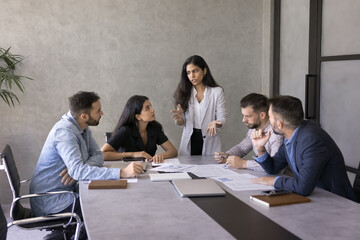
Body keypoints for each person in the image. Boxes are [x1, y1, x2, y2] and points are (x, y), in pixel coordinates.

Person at [30, 91, 144, 239]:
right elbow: (78, 171)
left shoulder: (82, 127)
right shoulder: (65, 132)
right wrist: (121, 173)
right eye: (98, 111)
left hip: (70, 190)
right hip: (52, 200)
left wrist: (79, 168)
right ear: (84, 116)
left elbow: (98, 155)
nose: (102, 112)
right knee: (105, 208)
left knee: (110, 199)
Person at [251, 95, 357, 201]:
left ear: (279, 125)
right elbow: (273, 167)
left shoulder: (311, 140)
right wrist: (260, 148)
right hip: (314, 199)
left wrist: (274, 181)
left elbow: (303, 187)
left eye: (270, 117)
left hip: (335, 202)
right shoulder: (291, 134)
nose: (269, 121)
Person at [172, 55, 227, 156]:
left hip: (209, 139)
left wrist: (216, 123)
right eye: (188, 73)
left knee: (209, 170)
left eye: (195, 71)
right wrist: (179, 119)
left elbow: (222, 118)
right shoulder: (183, 93)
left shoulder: (217, 92)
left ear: (204, 71)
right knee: (188, 170)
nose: (192, 76)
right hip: (190, 139)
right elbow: (181, 123)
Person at [214, 93, 283, 170]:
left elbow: (274, 166)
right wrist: (227, 155)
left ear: (262, 115)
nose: (243, 120)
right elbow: (242, 148)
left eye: (248, 116)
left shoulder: (276, 134)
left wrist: (244, 164)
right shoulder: (253, 129)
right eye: (243, 116)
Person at [101, 95, 177, 163]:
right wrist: (133, 154)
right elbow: (102, 154)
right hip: (127, 171)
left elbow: (173, 151)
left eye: (151, 106)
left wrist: (159, 156)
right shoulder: (125, 130)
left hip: (148, 170)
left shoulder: (155, 128)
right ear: (138, 116)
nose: (153, 110)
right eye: (147, 108)